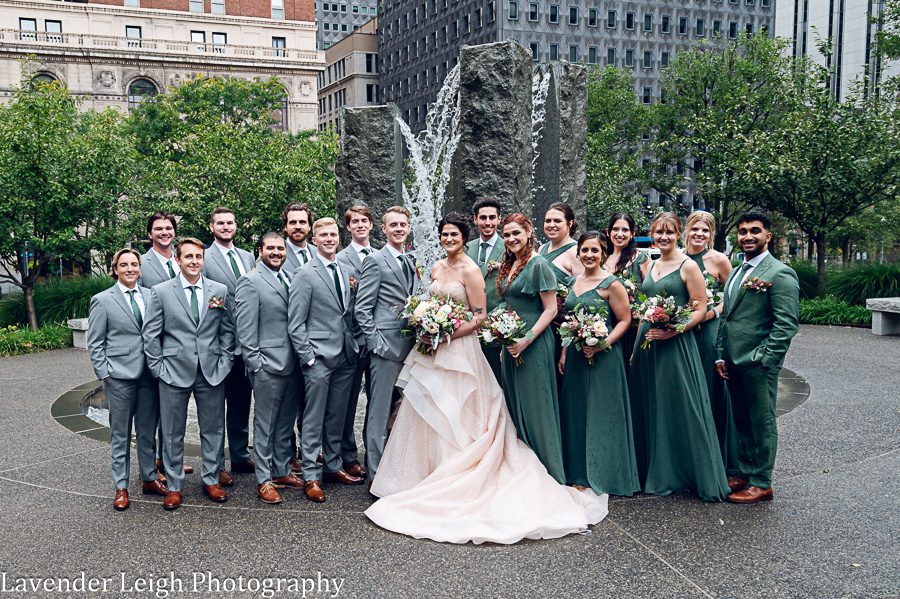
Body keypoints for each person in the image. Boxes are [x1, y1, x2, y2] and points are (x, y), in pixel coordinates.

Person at [366, 213, 608, 544]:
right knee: (427, 410)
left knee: (460, 409)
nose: (449, 239)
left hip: (460, 349)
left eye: (454, 234)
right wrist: (427, 326)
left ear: (465, 238)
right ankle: (424, 474)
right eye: (444, 234)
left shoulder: (471, 270)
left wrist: (448, 332)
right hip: (434, 349)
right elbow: (433, 303)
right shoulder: (437, 268)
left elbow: (479, 316)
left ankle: (464, 472)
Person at [629, 213, 729, 501]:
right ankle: (652, 468)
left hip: (675, 344)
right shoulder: (652, 263)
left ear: (677, 235)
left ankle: (683, 472)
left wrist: (674, 331)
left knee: (679, 406)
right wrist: (636, 350)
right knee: (653, 404)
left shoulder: (687, 266)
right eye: (659, 232)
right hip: (649, 345)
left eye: (669, 232)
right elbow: (645, 306)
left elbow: (700, 308)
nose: (663, 237)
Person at [143, 238, 236, 510]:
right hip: (173, 371)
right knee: (172, 432)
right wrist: (158, 368)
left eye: (198, 256)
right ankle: (174, 485)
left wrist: (225, 362)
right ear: (178, 260)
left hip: (211, 371)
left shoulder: (218, 290)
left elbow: (227, 329)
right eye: (188, 257)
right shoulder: (161, 292)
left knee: (213, 429)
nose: (194, 261)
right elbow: (151, 335)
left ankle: (210, 479)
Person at [716, 212, 800, 504]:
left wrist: (766, 358)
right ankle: (744, 472)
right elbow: (727, 317)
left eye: (754, 231)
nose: (747, 236)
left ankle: (762, 482)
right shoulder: (739, 269)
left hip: (758, 363)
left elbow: (786, 324)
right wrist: (720, 354)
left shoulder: (779, 273)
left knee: (761, 421)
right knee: (741, 418)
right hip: (733, 360)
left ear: (768, 236)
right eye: (742, 231)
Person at [557, 232, 640, 496]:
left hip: (604, 356)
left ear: (603, 253)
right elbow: (568, 321)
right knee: (577, 411)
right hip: (575, 357)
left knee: (603, 412)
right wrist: (564, 352)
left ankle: (605, 472)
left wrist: (603, 344)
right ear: (578, 253)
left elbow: (625, 321)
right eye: (585, 250)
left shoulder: (611, 284)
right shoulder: (572, 281)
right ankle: (578, 472)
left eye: (595, 250)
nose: (589, 255)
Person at [289, 218, 365, 502]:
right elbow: (295, 322)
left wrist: (354, 344)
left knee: (337, 414)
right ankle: (310, 474)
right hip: (318, 358)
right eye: (324, 235)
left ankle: (333, 466)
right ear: (315, 238)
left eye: (333, 234)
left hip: (345, 354)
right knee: (313, 417)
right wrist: (307, 358)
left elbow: (348, 312)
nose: (330, 238)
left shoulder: (345, 270)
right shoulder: (304, 273)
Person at [88, 249, 168, 511]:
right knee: (120, 434)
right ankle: (121, 486)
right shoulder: (102, 300)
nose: (130, 269)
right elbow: (95, 342)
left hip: (149, 375)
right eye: (124, 265)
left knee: (147, 432)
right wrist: (105, 373)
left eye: (134, 264)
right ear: (115, 269)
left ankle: (148, 478)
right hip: (120, 376)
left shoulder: (151, 295)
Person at [234, 232, 304, 505]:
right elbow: (245, 328)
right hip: (266, 364)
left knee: (285, 423)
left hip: (292, 362)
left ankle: (281, 469)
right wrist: (256, 365)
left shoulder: (289, 277)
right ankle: (264, 479)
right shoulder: (250, 281)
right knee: (265, 424)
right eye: (271, 248)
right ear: (260, 250)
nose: (276, 252)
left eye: (280, 248)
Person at [496, 213, 566, 483]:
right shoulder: (511, 263)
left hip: (534, 344)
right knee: (516, 405)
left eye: (517, 233)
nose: (512, 239)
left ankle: (547, 474)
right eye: (507, 235)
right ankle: (521, 472)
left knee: (537, 405)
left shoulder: (538, 264)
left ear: (528, 232)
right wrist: (506, 340)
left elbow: (550, 310)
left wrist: (526, 339)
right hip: (511, 342)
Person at [354, 206, 417, 481]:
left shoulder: (411, 260)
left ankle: (398, 467)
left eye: (403, 224)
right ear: (384, 229)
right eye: (394, 225)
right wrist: (376, 344)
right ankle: (376, 472)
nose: (399, 229)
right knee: (378, 411)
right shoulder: (375, 260)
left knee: (400, 410)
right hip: (385, 347)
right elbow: (362, 309)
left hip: (410, 346)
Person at [201, 207, 256, 484]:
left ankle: (239, 453)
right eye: (220, 223)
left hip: (245, 342)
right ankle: (216, 463)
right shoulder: (205, 257)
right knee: (214, 406)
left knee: (240, 401)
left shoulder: (247, 257)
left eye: (230, 222)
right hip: (218, 342)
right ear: (212, 227)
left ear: (236, 226)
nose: (225, 227)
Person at [683, 211, 739, 476]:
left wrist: (713, 312)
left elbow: (732, 295)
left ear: (711, 234)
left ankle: (716, 454)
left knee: (709, 385)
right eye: (695, 229)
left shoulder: (718, 260)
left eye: (705, 231)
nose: (699, 235)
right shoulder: (679, 257)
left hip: (708, 328)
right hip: (682, 328)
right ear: (687, 230)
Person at [138, 210, 193, 476]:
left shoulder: (181, 260)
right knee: (152, 415)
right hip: (156, 348)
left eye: (168, 228)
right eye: (158, 229)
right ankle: (152, 467)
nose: (164, 232)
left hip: (182, 350)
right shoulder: (142, 264)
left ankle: (169, 459)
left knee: (173, 415)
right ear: (150, 234)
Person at [335, 204, 375, 480]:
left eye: (365, 220)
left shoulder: (383, 255)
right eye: (355, 222)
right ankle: (347, 455)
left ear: (372, 225)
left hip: (381, 339)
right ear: (348, 228)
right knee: (347, 402)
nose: (360, 225)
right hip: (351, 340)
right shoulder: (339, 259)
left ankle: (374, 453)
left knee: (378, 400)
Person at [603, 212, 651, 376]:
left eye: (625, 230)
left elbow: (651, 295)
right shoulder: (601, 258)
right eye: (615, 229)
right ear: (608, 232)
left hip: (632, 328)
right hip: (605, 326)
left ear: (632, 234)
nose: (620, 234)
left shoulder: (640, 259)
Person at [463, 197, 505, 382]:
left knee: (496, 382)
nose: (487, 223)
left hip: (496, 326)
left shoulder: (509, 247)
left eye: (492, 218)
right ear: (475, 220)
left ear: (499, 219)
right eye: (483, 218)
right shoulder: (466, 247)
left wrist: (493, 321)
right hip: (468, 327)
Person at [538, 202, 583, 286]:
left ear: (570, 223)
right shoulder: (542, 249)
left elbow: (583, 289)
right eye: (548, 221)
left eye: (557, 221)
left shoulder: (577, 251)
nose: (551, 225)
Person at [281, 203, 317, 277]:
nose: (298, 226)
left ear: (309, 226)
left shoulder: (319, 253)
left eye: (302, 222)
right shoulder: (275, 255)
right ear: (285, 227)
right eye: (293, 222)